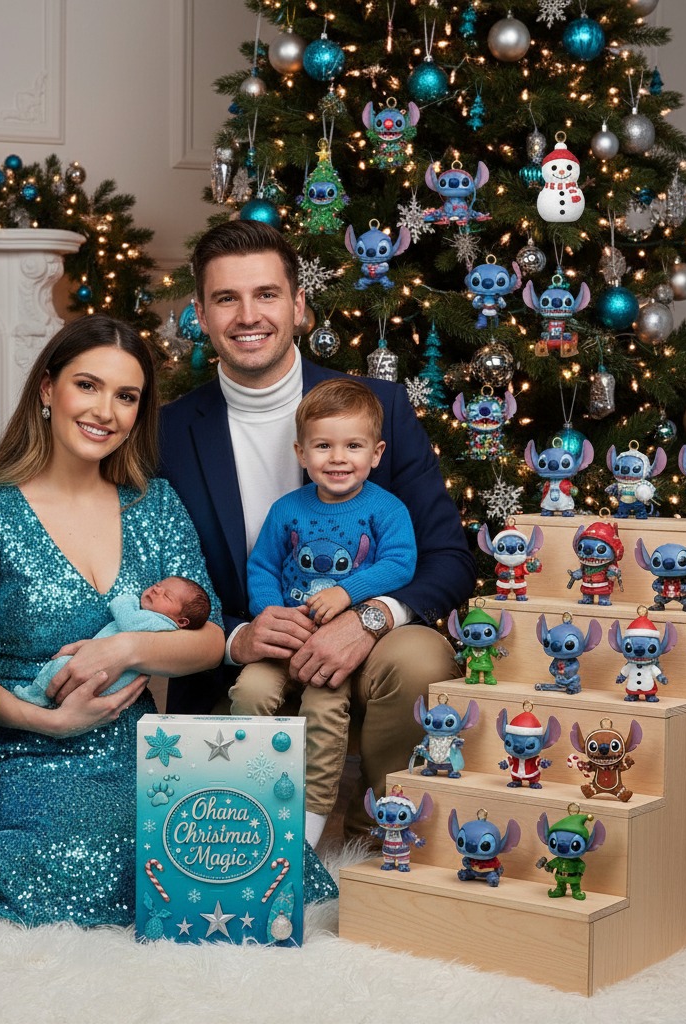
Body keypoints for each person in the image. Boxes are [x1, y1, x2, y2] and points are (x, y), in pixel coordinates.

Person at [0, 313, 336, 927]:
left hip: (139, 745)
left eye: (126, 396)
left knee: (233, 855)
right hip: (23, 745)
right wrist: (47, 719)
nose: (106, 411)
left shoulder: (153, 502)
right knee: (70, 867)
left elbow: (210, 640)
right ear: (47, 390)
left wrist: (124, 649)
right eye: (88, 386)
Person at [159, 220, 477, 840]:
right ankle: (248, 838)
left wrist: (371, 618)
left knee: (421, 659)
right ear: (200, 313)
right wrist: (237, 636)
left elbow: (448, 559)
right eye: (226, 298)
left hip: (371, 647)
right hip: (246, 664)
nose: (248, 316)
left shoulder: (376, 405)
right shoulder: (168, 431)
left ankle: (382, 832)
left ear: (299, 305)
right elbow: (152, 580)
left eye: (267, 295)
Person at [236, 377, 417, 846]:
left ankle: (307, 829)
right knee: (249, 693)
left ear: (376, 453)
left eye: (352, 445)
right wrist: (270, 614)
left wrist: (346, 593)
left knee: (322, 716)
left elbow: (400, 562)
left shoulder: (385, 508)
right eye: (323, 446)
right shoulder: (286, 510)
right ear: (301, 453)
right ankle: (239, 803)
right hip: (283, 643)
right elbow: (262, 566)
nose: (338, 458)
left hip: (335, 654)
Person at [13, 576, 212, 707]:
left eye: (166, 596)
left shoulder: (159, 623)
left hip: (107, 679)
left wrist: (126, 600)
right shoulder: (156, 621)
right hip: (107, 677)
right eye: (158, 585)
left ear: (181, 621)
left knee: (60, 666)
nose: (156, 590)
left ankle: (35, 695)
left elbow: (127, 621)